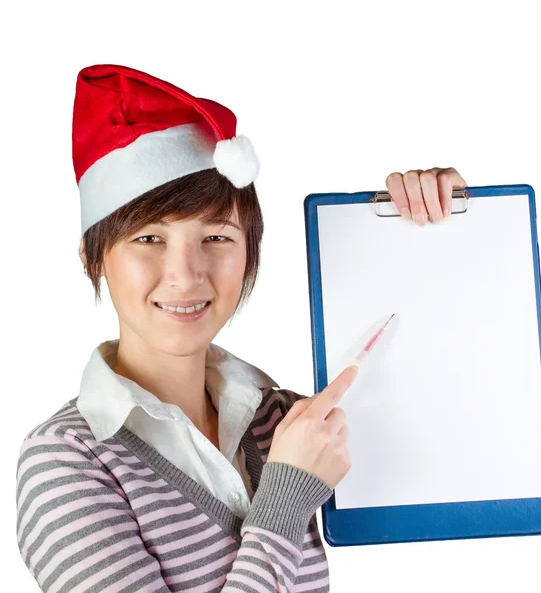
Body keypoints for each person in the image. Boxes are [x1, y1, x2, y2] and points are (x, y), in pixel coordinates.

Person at [15, 63, 467, 592]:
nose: (186, 275)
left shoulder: (280, 420)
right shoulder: (66, 462)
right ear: (94, 258)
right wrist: (285, 496)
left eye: (217, 237)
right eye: (148, 239)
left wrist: (441, 229)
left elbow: (454, 432)